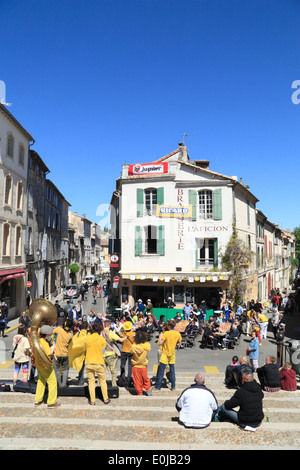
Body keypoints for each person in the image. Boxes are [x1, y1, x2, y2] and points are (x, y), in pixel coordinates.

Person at [84, 322, 110, 405]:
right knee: (102, 381)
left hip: (88, 362)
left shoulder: (87, 338)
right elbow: (103, 352)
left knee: (91, 382)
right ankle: (105, 399)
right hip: (99, 362)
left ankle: (92, 401)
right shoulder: (102, 339)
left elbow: (85, 350)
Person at [34, 325, 60, 408]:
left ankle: (38, 400)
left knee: (41, 381)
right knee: (52, 382)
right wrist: (53, 348)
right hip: (46, 366)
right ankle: (51, 402)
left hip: (39, 365)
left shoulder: (37, 341)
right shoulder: (44, 343)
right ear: (47, 334)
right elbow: (49, 355)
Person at [154, 319, 181, 391]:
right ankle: (173, 386)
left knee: (161, 370)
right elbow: (179, 343)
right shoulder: (177, 333)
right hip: (172, 353)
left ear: (168, 326)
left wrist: (161, 336)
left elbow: (160, 343)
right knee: (172, 369)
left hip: (165, 353)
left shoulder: (166, 333)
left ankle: (158, 386)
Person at [102, 319, 126, 387]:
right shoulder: (111, 333)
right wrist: (126, 337)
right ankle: (113, 384)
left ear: (104, 325)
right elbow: (120, 340)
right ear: (109, 325)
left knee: (102, 371)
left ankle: (102, 384)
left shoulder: (100, 333)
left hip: (102, 353)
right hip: (111, 353)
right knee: (113, 371)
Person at [130, 329, 152, 396]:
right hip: (144, 365)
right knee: (145, 378)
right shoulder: (147, 345)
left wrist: (134, 342)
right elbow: (148, 347)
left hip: (135, 365)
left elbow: (130, 351)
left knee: (137, 380)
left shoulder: (134, 346)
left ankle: (139, 392)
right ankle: (148, 389)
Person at [53, 318, 73, 388]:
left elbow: (52, 332)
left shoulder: (59, 330)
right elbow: (70, 343)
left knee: (57, 369)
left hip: (57, 354)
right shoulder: (70, 334)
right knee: (65, 369)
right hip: (65, 354)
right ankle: (64, 384)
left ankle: (59, 384)